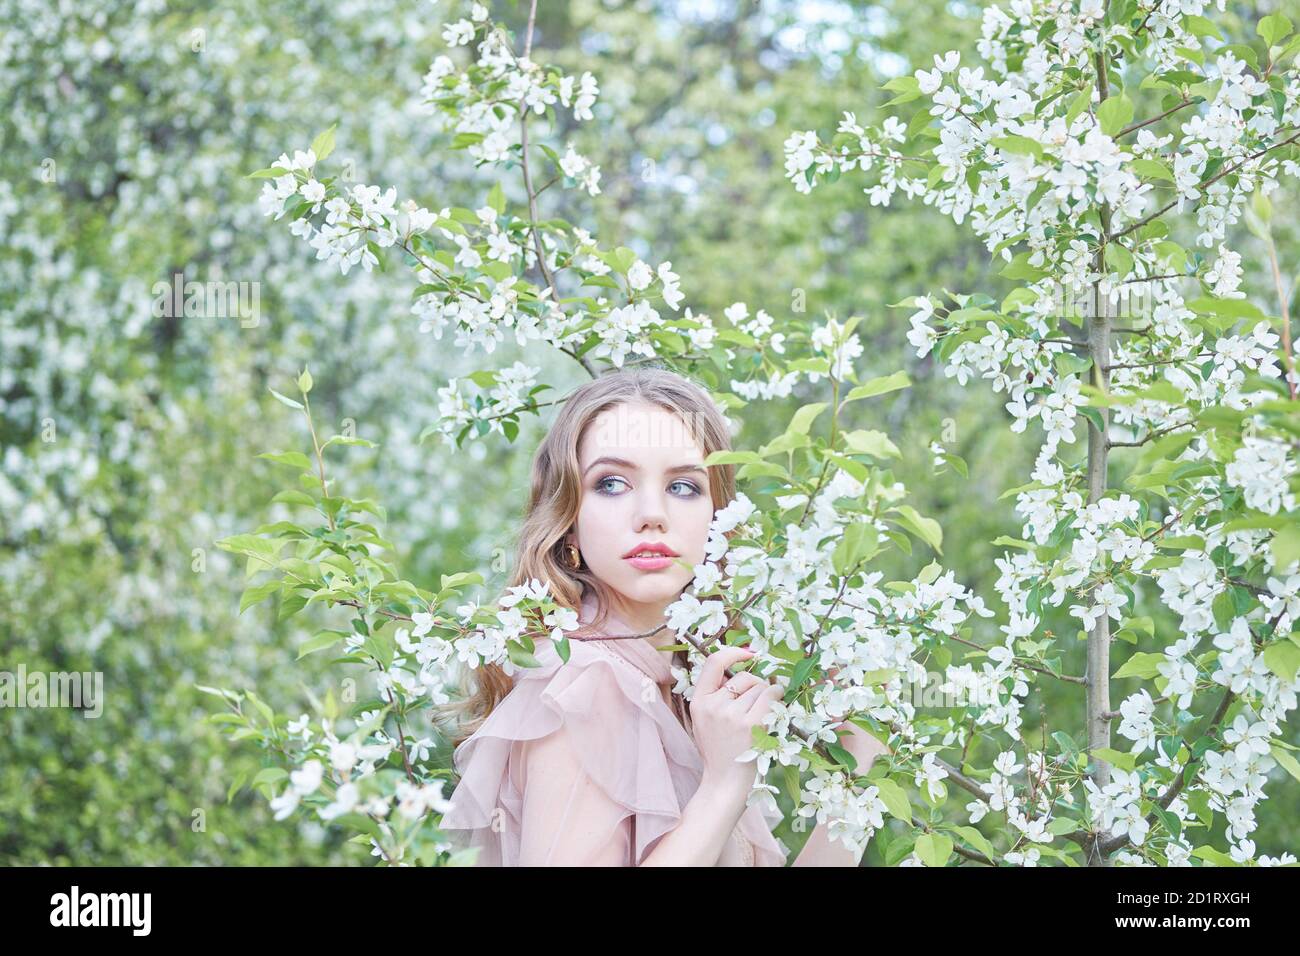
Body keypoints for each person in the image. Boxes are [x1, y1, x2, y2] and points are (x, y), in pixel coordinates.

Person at [434, 366, 887, 865]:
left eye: (684, 487)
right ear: (569, 523)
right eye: (611, 483)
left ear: (720, 517)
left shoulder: (689, 688)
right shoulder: (581, 686)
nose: (652, 512)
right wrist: (721, 787)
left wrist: (859, 759)